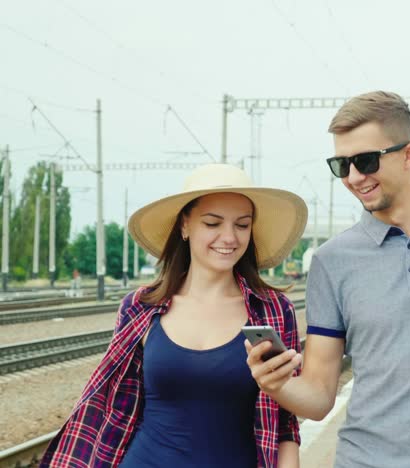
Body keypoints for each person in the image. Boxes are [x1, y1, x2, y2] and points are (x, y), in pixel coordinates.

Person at [245, 91, 410, 467]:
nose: (353, 178)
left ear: (409, 155)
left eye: (365, 161)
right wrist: (277, 383)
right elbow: (318, 398)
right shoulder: (332, 261)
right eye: (340, 165)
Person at [40, 163, 308, 468]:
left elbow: (285, 424)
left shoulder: (272, 310)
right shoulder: (141, 307)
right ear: (184, 226)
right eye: (212, 223)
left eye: (242, 225)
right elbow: (112, 408)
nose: (229, 237)